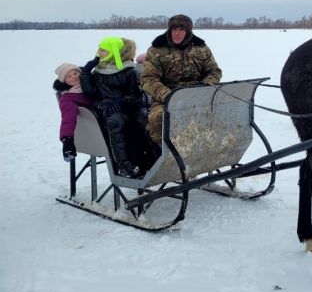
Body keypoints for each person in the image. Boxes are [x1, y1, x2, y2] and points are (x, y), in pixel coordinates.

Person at [140, 14, 222, 143]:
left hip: (197, 96)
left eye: (181, 30)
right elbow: (148, 79)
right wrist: (168, 95)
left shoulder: (202, 49)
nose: (177, 33)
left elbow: (214, 71)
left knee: (219, 114)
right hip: (166, 98)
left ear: (188, 32)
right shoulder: (156, 50)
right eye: (174, 29)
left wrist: (204, 88)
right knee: (158, 119)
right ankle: (162, 155)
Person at [81, 37, 149, 178]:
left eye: (104, 50)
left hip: (128, 106)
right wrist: (86, 72)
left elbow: (135, 96)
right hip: (108, 110)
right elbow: (90, 93)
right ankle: (124, 166)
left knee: (144, 120)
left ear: (114, 51)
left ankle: (150, 160)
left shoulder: (128, 71)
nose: (100, 52)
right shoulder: (98, 71)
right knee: (117, 122)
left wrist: (121, 103)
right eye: (99, 48)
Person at [53, 63, 94, 162]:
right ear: (64, 81)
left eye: (75, 73)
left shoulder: (92, 86)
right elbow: (68, 118)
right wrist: (67, 139)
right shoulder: (68, 98)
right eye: (69, 76)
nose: (74, 77)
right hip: (95, 132)